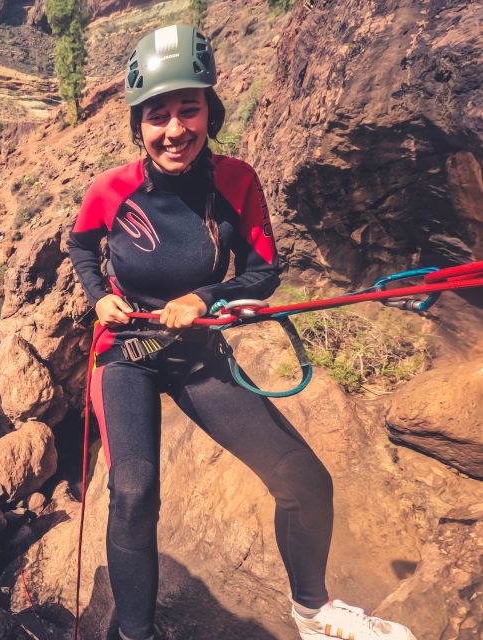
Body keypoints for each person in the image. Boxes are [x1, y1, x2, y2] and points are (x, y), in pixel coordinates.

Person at [66, 24, 416, 640]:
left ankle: (312, 611)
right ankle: (134, 634)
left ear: (210, 109)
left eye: (188, 109)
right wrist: (100, 299)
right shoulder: (111, 190)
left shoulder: (237, 181)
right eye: (157, 115)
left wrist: (204, 296)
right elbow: (81, 244)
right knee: (133, 491)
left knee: (304, 480)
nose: (174, 129)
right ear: (138, 125)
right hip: (128, 354)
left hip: (197, 351)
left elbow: (263, 271)